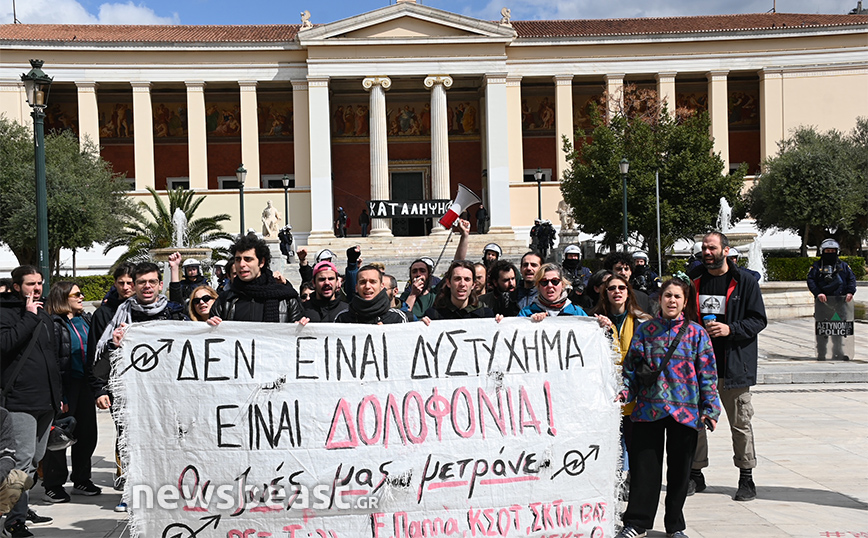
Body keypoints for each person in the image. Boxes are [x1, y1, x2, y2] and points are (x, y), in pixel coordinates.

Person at [616, 277, 721, 538]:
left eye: (677, 297)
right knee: (644, 470)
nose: (671, 301)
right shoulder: (645, 330)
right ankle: (637, 523)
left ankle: (675, 526)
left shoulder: (697, 333)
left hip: (684, 412)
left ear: (685, 302)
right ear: (660, 299)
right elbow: (631, 369)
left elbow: (708, 374)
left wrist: (710, 408)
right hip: (648, 410)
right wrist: (624, 393)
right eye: (667, 296)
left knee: (680, 474)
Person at [687, 231, 767, 502]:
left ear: (725, 250)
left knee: (740, 423)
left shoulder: (744, 281)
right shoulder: (694, 280)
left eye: (712, 248)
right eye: (704, 248)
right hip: (698, 367)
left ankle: (746, 477)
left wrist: (729, 329)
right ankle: (695, 474)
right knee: (695, 422)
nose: (707, 253)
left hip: (734, 365)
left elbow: (758, 320)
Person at [0, 266, 61, 537]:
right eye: (30, 284)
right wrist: (28, 316)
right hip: (19, 400)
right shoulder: (6, 313)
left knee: (35, 459)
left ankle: (19, 508)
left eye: (39, 283)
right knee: (21, 462)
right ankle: (13, 520)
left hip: (46, 400)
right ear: (17, 287)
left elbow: (51, 356)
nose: (37, 288)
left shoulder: (44, 313)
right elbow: (5, 344)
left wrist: (59, 396)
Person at [42, 281, 100, 505]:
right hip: (65, 386)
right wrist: (60, 395)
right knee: (59, 436)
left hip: (85, 385)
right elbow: (53, 361)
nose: (81, 297)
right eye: (77, 294)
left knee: (87, 434)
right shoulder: (54, 323)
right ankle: (53, 485)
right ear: (62, 298)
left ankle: (82, 479)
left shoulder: (85, 319)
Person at [592, 274, 652, 491]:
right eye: (611, 288)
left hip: (637, 396)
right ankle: (612, 485)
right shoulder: (593, 321)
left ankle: (634, 484)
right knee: (610, 446)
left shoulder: (643, 321)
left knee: (636, 446)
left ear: (628, 292)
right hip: (606, 395)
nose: (616, 291)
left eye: (621, 287)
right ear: (605, 293)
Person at [85, 262, 135, 510]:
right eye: (121, 283)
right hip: (118, 385)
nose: (126, 287)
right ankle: (126, 479)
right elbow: (94, 354)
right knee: (125, 434)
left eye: (130, 283)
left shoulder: (148, 310)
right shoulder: (103, 314)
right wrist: (99, 389)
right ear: (115, 284)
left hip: (146, 385)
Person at [209, 235, 304, 324]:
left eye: (248, 259)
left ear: (261, 262)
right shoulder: (224, 300)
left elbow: (295, 331)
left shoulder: (287, 300)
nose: (241, 264)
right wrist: (212, 327)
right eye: (238, 259)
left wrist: (300, 328)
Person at [806, 238, 857, 360]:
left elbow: (851, 279)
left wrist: (850, 292)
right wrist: (818, 293)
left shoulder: (843, 266)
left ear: (837, 251)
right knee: (823, 329)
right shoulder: (817, 266)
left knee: (838, 329)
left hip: (840, 303)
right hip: (823, 304)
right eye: (827, 251)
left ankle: (838, 352)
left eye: (832, 251)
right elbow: (811, 280)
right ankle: (821, 353)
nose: (830, 253)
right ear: (822, 251)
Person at [422, 261, 496, 321]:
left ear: (473, 285)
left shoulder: (485, 315)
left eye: (467, 279)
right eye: (457, 279)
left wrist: (499, 324)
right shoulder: (433, 315)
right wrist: (421, 327)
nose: (462, 284)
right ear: (448, 283)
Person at [334, 265, 408, 324]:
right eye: (362, 282)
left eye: (373, 282)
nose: (367, 286)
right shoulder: (342, 318)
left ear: (382, 286)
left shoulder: (397, 318)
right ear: (356, 287)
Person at [519, 263, 588, 319]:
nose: (550, 285)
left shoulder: (577, 312)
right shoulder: (526, 313)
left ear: (563, 284)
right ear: (538, 286)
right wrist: (529, 322)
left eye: (555, 281)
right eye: (544, 282)